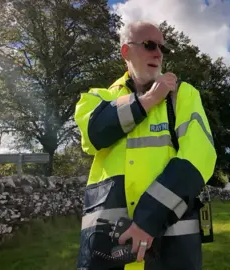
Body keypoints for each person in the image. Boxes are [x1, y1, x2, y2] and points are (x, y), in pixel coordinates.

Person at [74, 20, 217, 270]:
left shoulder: (184, 95)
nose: (158, 53)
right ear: (125, 51)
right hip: (107, 249)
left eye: (163, 48)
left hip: (170, 251)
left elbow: (199, 157)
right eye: (150, 45)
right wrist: (151, 98)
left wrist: (147, 220)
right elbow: (94, 133)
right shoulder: (98, 97)